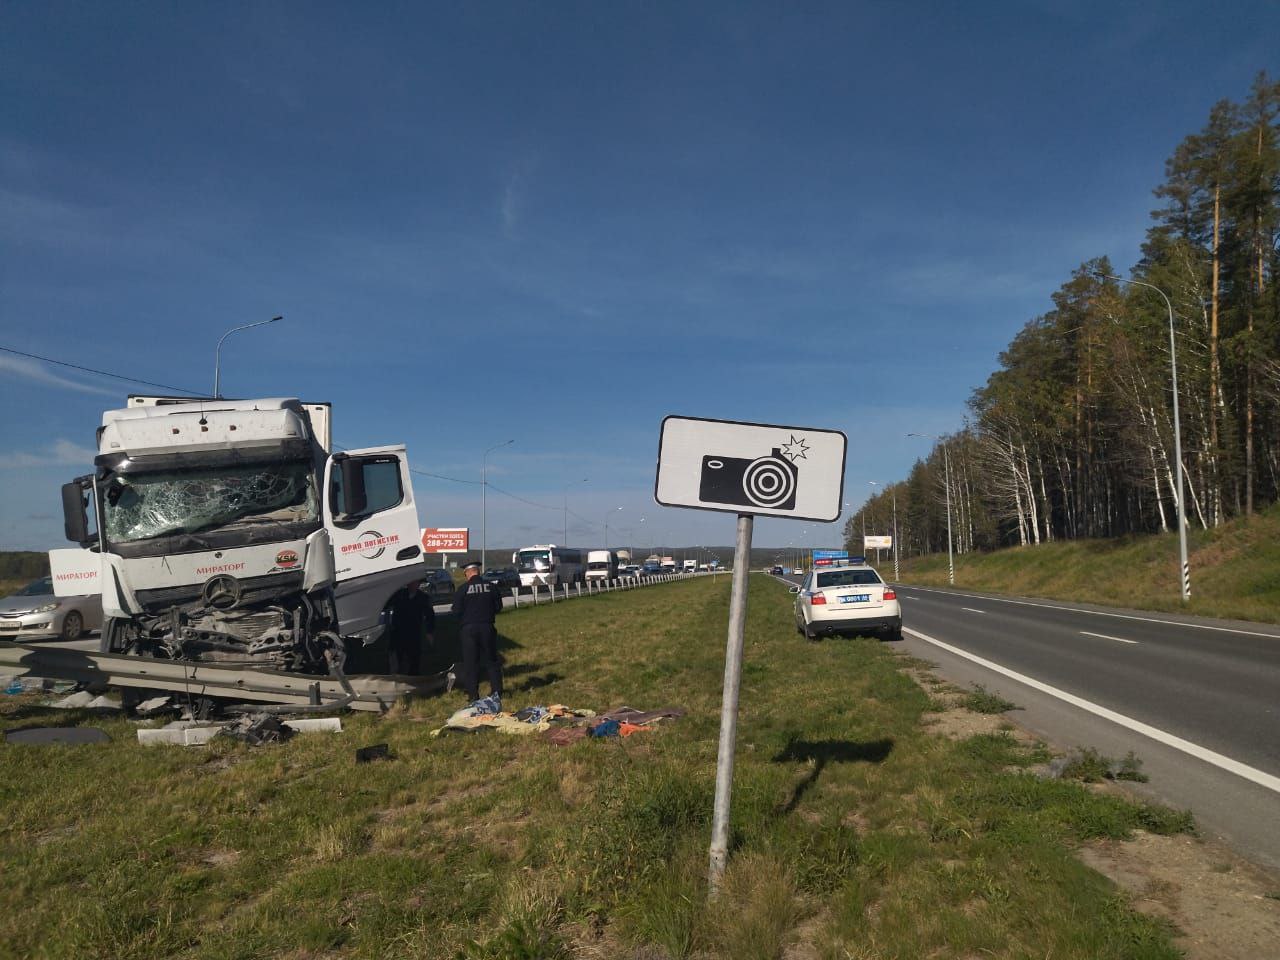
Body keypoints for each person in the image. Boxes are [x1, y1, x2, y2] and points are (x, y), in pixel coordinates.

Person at [451, 560, 504, 705]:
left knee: (471, 663)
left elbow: (456, 611)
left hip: (468, 629)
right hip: (487, 627)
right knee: (492, 661)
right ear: (478, 572)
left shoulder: (462, 589)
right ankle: (497, 692)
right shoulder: (491, 587)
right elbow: (498, 607)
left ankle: (473, 695)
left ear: (467, 573)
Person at [387, 579, 435, 675]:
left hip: (414, 632)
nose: (412, 585)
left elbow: (430, 616)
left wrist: (429, 632)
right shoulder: (399, 595)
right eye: (411, 583)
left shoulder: (423, 597)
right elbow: (386, 604)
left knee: (414, 657)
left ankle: (414, 676)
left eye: (415, 583)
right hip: (398, 631)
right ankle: (396, 675)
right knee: (397, 656)